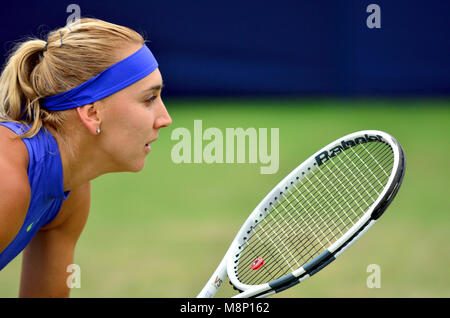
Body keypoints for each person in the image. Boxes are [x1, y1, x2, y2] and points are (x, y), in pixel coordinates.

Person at [0, 18, 172, 297]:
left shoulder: (72, 188)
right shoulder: (6, 180)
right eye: (149, 99)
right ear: (92, 113)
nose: (165, 119)